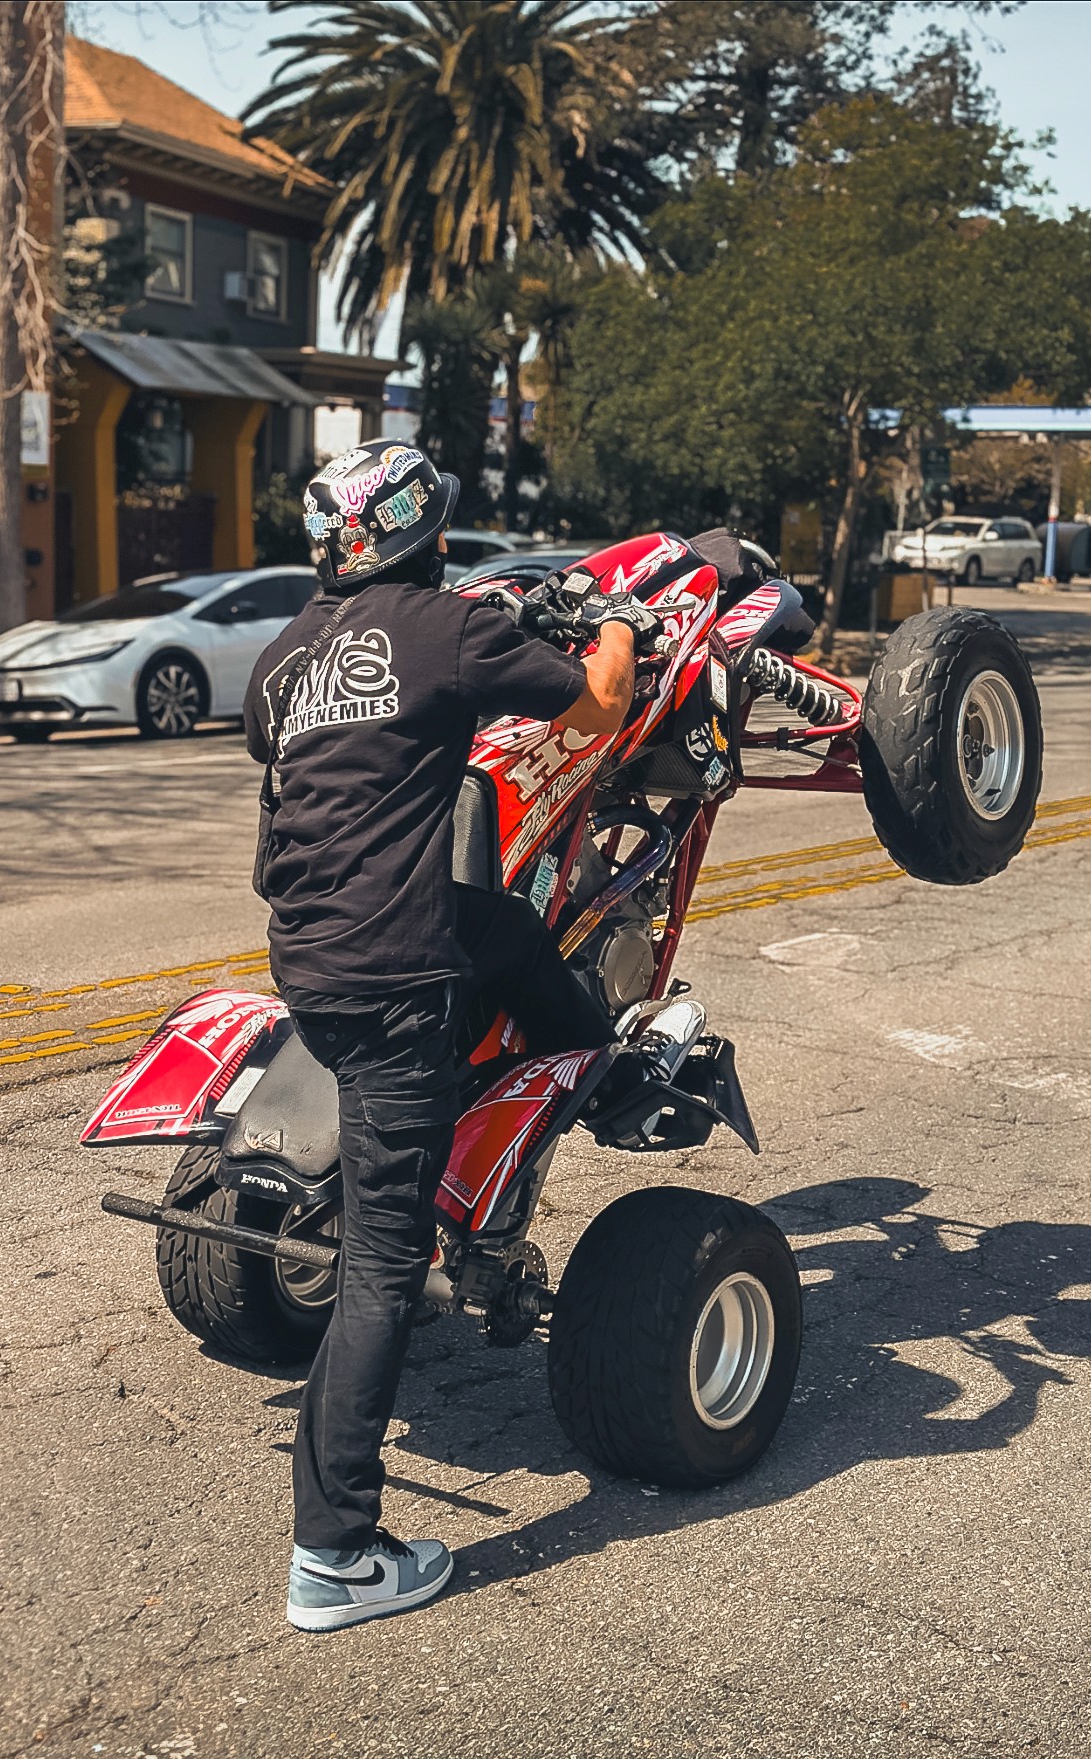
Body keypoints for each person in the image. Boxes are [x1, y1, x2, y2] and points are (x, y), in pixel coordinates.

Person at [244, 439, 647, 1633]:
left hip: (312, 962)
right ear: (424, 532)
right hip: (393, 980)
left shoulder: (284, 658)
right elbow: (603, 705)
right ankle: (337, 1554)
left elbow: (298, 754)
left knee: (506, 927)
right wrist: (614, 623)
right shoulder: (442, 629)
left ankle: (595, 1065)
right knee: (383, 1269)